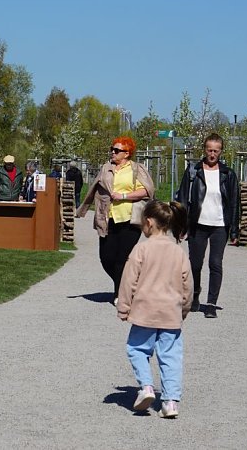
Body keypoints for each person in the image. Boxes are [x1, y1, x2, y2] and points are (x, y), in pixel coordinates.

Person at [117, 199, 192, 418]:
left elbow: (128, 280)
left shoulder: (141, 249)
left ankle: (147, 387)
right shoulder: (179, 253)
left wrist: (124, 307)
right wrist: (184, 309)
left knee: (137, 349)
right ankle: (170, 402)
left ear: (149, 222)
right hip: (171, 313)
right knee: (170, 357)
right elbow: (188, 284)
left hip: (144, 312)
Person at [76, 136, 154, 302]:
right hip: (108, 218)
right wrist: (84, 207)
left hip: (130, 219)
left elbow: (148, 191)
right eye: (112, 149)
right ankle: (129, 285)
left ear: (126, 154)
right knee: (106, 258)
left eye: (116, 150)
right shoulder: (106, 168)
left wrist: (124, 195)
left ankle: (120, 294)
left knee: (120, 259)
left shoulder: (137, 168)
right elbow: (94, 189)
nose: (112, 152)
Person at [174, 132, 240, 318]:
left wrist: (234, 229)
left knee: (215, 263)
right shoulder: (193, 172)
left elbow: (234, 203)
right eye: (210, 150)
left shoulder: (228, 174)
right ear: (204, 150)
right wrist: (181, 227)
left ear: (221, 152)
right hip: (198, 224)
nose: (212, 154)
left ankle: (211, 303)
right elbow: (183, 201)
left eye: (216, 151)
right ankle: (195, 295)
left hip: (220, 224)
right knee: (195, 264)